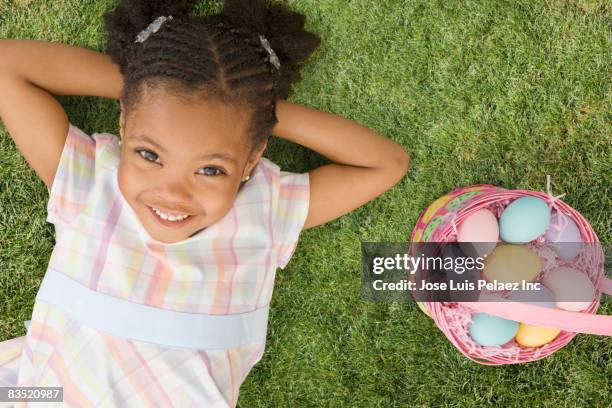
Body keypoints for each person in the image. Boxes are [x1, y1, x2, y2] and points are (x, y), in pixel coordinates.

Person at [0, 0, 409, 406]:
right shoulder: (91, 182)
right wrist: (150, 85)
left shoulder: (262, 208)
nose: (173, 193)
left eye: (211, 170)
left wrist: (252, 112)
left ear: (251, 158)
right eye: (149, 155)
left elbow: (386, 163)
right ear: (124, 122)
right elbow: (7, 65)